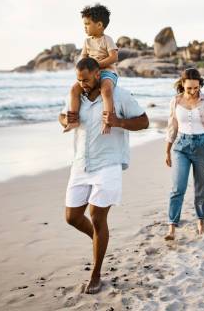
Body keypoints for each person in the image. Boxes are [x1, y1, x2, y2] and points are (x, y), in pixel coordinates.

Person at [59, 57, 149, 294]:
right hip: (81, 164)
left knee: (97, 217)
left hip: (108, 164)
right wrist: (65, 119)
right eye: (79, 80)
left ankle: (96, 274)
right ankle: (100, 240)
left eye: (86, 80)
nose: (83, 84)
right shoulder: (76, 95)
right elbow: (62, 117)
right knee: (72, 217)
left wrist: (118, 121)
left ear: (98, 74)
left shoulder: (119, 95)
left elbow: (144, 121)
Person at [164, 68, 204, 240]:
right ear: (183, 84)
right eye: (190, 88)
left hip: (203, 146)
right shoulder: (175, 101)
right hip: (181, 146)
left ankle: (201, 219)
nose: (194, 91)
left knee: (202, 187)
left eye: (196, 88)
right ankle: (172, 226)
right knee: (177, 187)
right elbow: (172, 126)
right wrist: (167, 150)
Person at [63, 3, 119, 135]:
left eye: (87, 24)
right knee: (74, 89)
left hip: (107, 72)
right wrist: (82, 67)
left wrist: (96, 65)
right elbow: (83, 57)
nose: (85, 27)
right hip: (91, 73)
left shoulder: (107, 40)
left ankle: (108, 120)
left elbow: (114, 57)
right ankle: (73, 120)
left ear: (99, 25)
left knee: (106, 90)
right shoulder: (87, 41)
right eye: (84, 24)